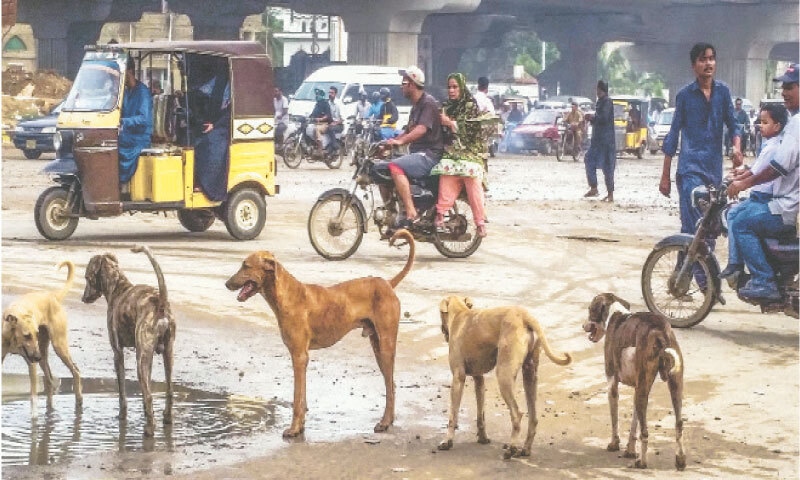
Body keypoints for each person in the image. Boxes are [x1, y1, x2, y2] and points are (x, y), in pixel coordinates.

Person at [724, 63, 799, 300]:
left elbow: (778, 167)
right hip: (783, 201)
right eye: (783, 87)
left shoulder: (797, 124)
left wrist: (745, 184)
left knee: (741, 223)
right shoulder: (793, 123)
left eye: (790, 86)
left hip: (785, 206)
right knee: (738, 215)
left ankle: (763, 280)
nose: (784, 92)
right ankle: (740, 266)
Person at [660, 43, 743, 251]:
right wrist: (665, 176)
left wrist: (737, 148)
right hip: (690, 171)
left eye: (711, 58)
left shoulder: (723, 92)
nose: (708, 63)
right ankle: (705, 283)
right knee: (695, 227)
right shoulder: (684, 96)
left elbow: (734, 126)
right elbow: (673, 136)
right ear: (693, 65)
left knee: (709, 228)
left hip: (713, 173)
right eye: (703, 59)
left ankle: (681, 277)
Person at [719, 102, 788, 285]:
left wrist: (741, 182)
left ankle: (763, 278)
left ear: (777, 126)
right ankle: (735, 262)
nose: (760, 125)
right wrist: (741, 174)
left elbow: (760, 174)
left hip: (766, 199)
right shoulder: (770, 144)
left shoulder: (774, 147)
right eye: (760, 121)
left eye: (765, 122)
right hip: (762, 197)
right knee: (733, 213)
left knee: (741, 224)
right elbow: (756, 169)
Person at [381, 65, 443, 226]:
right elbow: (408, 130)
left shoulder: (428, 103)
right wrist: (390, 144)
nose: (401, 86)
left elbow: (421, 129)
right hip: (418, 153)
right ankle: (392, 212)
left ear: (412, 84)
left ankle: (411, 213)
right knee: (382, 168)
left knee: (395, 167)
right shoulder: (416, 106)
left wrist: (401, 141)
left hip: (430, 155)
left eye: (404, 82)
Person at [430, 73, 489, 238]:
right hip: (451, 151)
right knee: (445, 173)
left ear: (461, 88)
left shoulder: (470, 106)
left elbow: (470, 130)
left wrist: (448, 123)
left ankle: (480, 223)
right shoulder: (446, 106)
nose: (452, 90)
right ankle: (440, 214)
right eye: (449, 87)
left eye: (455, 87)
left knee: (471, 176)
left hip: (470, 150)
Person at [193, 61, 231, 201]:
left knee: (208, 143)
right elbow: (205, 90)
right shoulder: (219, 81)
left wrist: (215, 125)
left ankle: (208, 185)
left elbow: (229, 112)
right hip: (215, 122)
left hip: (225, 127)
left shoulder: (233, 85)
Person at [119, 57, 153, 186]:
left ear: (130, 71)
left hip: (139, 138)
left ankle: (119, 183)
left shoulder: (142, 92)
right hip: (128, 135)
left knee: (113, 147)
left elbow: (144, 118)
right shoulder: (127, 92)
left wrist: (123, 121)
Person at [583, 80, 616, 202]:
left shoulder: (607, 102)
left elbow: (604, 118)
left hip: (606, 142)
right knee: (589, 160)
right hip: (597, 141)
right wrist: (592, 119)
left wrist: (592, 117)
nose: (596, 91)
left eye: (597, 89)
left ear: (601, 90)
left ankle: (610, 194)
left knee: (607, 167)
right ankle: (594, 187)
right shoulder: (600, 102)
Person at [327, 86, 344, 153]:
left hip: (339, 125)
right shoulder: (328, 103)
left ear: (335, 94)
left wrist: (335, 123)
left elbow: (342, 119)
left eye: (332, 93)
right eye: (329, 93)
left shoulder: (339, 104)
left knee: (330, 128)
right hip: (331, 123)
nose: (330, 94)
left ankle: (334, 146)